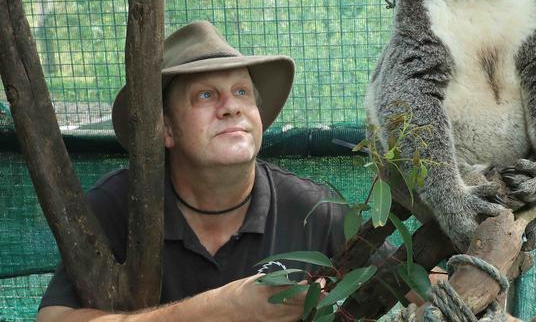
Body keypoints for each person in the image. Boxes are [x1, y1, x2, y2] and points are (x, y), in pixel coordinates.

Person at [37, 20, 347, 322]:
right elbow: (52, 318)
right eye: (206, 95)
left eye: (242, 92)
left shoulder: (311, 207)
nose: (231, 107)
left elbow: (392, 278)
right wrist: (221, 309)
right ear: (166, 129)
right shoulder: (119, 204)